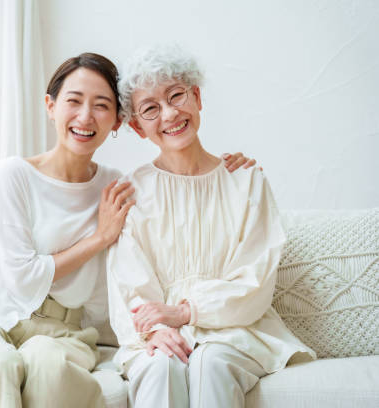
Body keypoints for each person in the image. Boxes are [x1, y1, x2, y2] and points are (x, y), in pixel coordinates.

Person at [0, 52, 256, 408]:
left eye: (101, 105)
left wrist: (224, 170)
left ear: (117, 121)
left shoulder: (117, 187)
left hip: (63, 331)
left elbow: (155, 243)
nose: (85, 117)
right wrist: (100, 237)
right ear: (50, 106)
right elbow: (19, 280)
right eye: (74, 101)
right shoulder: (13, 175)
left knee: (50, 369)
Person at [107, 45, 317, 408]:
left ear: (197, 97)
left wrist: (186, 311)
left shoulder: (246, 180)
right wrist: (158, 328)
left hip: (237, 330)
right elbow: (130, 284)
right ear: (138, 127)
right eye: (151, 108)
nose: (170, 113)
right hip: (160, 335)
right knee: (162, 364)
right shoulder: (132, 193)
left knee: (211, 360)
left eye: (176, 95)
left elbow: (255, 278)